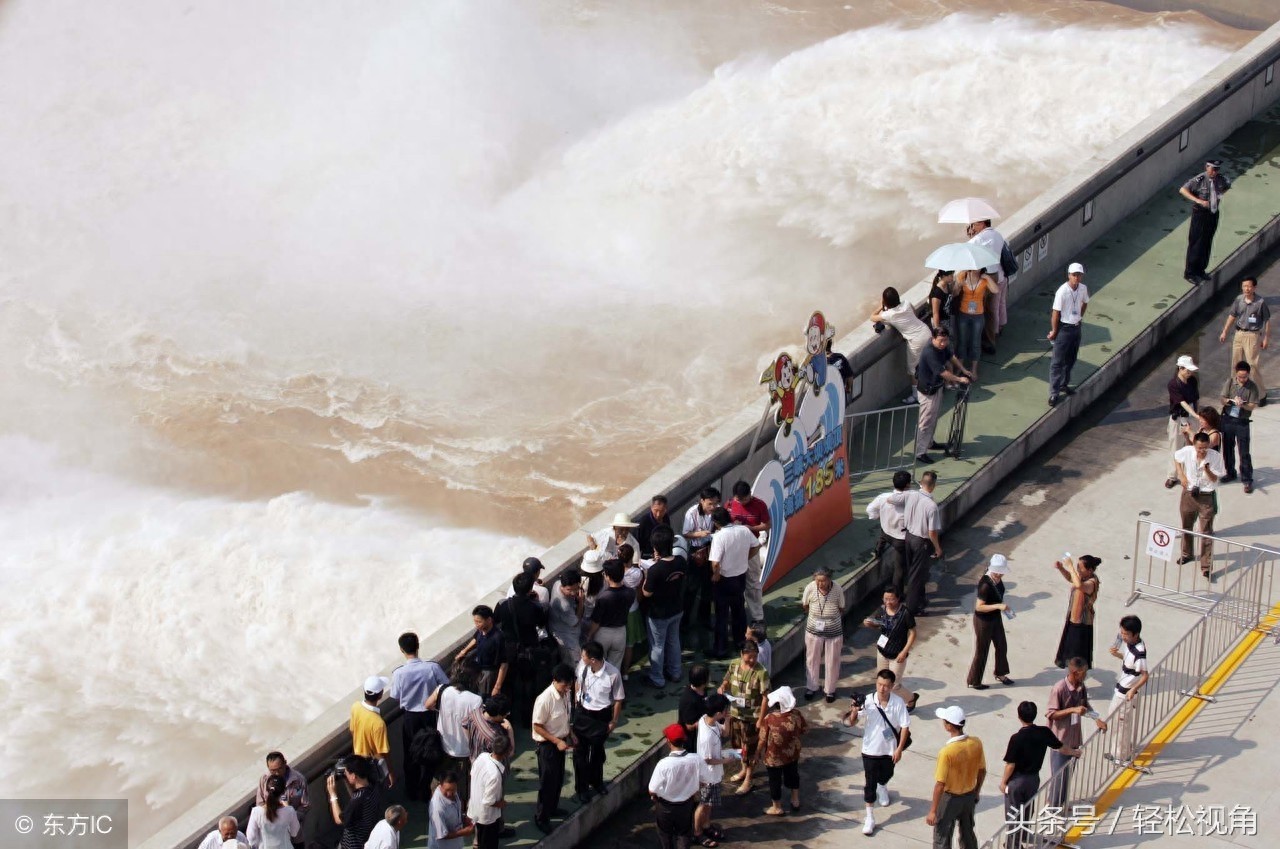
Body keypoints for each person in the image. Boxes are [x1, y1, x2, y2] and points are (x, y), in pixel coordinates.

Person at [844, 669, 911, 836]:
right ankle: (870, 817)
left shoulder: (898, 703)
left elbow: (904, 726)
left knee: (887, 774)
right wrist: (854, 710)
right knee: (869, 783)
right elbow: (851, 722)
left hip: (889, 750)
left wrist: (899, 749)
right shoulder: (867, 700)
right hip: (870, 750)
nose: (882, 689)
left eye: (886, 686)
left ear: (892, 686)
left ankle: (883, 785)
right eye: (879, 684)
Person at [999, 702, 1076, 846]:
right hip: (1033, 779)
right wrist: (1075, 752)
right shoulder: (1044, 732)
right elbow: (1061, 747)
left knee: (1013, 815)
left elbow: (1011, 764)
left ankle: (1012, 845)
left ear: (1019, 716)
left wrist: (1003, 782)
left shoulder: (1016, 738)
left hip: (1017, 781)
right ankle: (1023, 835)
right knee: (1027, 809)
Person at [389, 632, 449, 802]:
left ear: (401, 649)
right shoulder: (432, 667)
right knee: (431, 752)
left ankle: (411, 791)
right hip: (430, 715)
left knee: (410, 754)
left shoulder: (399, 673)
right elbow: (445, 686)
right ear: (418, 646)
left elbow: (395, 695)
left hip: (410, 718)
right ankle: (426, 789)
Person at [1045, 658, 1107, 811]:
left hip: (1074, 738)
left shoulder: (1081, 687)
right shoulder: (1059, 689)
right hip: (1060, 740)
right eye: (1083, 673)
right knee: (1058, 776)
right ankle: (1052, 807)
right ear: (1074, 672)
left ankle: (1061, 803)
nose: (1085, 676)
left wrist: (1097, 718)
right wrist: (1072, 710)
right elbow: (1051, 714)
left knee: (1068, 775)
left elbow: (1085, 705)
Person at [572, 640, 625, 802]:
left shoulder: (613, 674)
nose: (581, 658)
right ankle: (581, 789)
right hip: (582, 714)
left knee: (597, 753)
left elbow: (618, 699)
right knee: (580, 754)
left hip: (601, 717)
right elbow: (577, 682)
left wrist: (613, 721)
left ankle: (596, 782)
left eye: (584, 656)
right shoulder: (582, 667)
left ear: (593, 660)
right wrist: (577, 699)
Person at [926, 706, 986, 849]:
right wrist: (976, 792)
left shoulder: (947, 752)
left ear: (948, 726)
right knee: (967, 833)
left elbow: (940, 784)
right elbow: (982, 770)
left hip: (950, 799)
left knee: (942, 836)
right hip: (969, 796)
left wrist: (933, 811)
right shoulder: (976, 742)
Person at [496, 570, 551, 724]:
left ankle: (508, 718)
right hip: (529, 650)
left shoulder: (503, 605)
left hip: (509, 650)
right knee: (528, 684)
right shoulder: (534, 607)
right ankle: (527, 718)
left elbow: (497, 623)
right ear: (529, 589)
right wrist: (536, 601)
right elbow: (541, 624)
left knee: (509, 684)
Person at [426, 664, 483, 808]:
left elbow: (427, 705)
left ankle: (437, 805)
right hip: (464, 750)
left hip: (443, 745)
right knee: (462, 785)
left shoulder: (442, 690)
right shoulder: (475, 700)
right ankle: (461, 811)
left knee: (440, 778)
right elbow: (477, 727)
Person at [913, 326, 972, 465]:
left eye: (945, 340)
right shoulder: (930, 352)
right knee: (925, 421)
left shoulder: (941, 347)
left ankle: (930, 442)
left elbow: (951, 356)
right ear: (933, 338)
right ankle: (920, 452)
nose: (943, 343)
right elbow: (942, 373)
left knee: (933, 417)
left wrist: (963, 369)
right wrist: (959, 379)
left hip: (936, 388)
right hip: (928, 391)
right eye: (941, 340)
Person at [718, 640, 770, 794]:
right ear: (742, 654)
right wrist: (722, 688)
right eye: (749, 657)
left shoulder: (761, 672)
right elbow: (726, 681)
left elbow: (765, 698)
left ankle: (748, 778)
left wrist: (761, 719)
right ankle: (743, 769)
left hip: (751, 717)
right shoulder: (734, 664)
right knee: (738, 745)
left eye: (755, 657)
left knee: (751, 748)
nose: (752, 660)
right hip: (735, 713)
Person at [1173, 431, 1226, 576]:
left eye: (1204, 448)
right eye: (1199, 448)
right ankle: (1186, 554)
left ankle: (1206, 566)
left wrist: (1207, 469)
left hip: (1206, 497)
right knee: (1186, 526)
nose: (1202, 451)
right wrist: (1181, 475)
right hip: (1189, 494)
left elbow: (1215, 479)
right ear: (1194, 445)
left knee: (1206, 531)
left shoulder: (1215, 457)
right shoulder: (1188, 451)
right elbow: (1176, 458)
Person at [709, 506, 759, 658]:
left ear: (717, 523)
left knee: (722, 615)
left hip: (724, 579)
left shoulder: (719, 536)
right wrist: (745, 558)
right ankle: (739, 641)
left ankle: (721, 648)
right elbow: (756, 546)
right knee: (739, 610)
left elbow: (716, 562)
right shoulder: (743, 530)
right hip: (740, 576)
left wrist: (716, 574)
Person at [531, 664, 575, 833]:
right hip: (548, 746)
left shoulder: (565, 693)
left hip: (561, 741)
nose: (567, 688)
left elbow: (565, 716)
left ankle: (553, 807)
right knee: (547, 782)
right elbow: (538, 726)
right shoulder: (545, 699)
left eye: (569, 685)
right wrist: (556, 741)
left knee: (558, 779)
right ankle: (542, 817)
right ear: (555, 681)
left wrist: (570, 733)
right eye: (564, 685)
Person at [892, 470, 943, 615]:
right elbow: (932, 532)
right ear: (933, 485)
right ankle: (912, 609)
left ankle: (920, 600)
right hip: (921, 542)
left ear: (921, 482)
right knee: (916, 576)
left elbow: (892, 499)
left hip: (908, 537)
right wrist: (938, 549)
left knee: (913, 572)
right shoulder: (931, 506)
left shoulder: (911, 494)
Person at [871, 286, 933, 404]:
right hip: (926, 332)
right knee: (929, 361)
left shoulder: (889, 314)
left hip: (916, 341)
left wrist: (880, 305)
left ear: (886, 301)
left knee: (913, 369)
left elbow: (872, 317)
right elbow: (914, 314)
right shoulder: (906, 303)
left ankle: (916, 396)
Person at [645, 525, 687, 688]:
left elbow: (647, 593)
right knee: (673, 640)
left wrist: (648, 574)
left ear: (656, 548)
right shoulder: (681, 561)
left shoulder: (655, 570)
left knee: (657, 645)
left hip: (658, 613)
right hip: (677, 608)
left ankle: (657, 678)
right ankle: (675, 672)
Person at [862, 586, 918, 710]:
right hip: (882, 651)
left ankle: (911, 698)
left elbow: (913, 633)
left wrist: (904, 652)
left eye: (891, 599)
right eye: (885, 599)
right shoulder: (882, 610)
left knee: (894, 685)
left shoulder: (905, 613)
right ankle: (884, 703)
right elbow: (879, 626)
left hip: (897, 654)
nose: (888, 602)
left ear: (898, 598)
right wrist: (870, 624)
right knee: (882, 681)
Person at [649, 723, 702, 849]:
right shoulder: (696, 759)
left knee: (665, 834)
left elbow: (652, 789)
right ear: (684, 740)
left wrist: (655, 798)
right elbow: (705, 780)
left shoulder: (663, 764)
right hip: (686, 805)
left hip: (665, 806)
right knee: (684, 833)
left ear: (668, 741)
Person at [757, 686, 807, 816]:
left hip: (774, 757)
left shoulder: (769, 718)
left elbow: (762, 739)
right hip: (792, 754)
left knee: (775, 781)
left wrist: (757, 753)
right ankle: (795, 799)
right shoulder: (796, 714)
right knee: (793, 775)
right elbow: (804, 729)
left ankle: (777, 807)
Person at [694, 693, 736, 848]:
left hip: (714, 774)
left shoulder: (707, 719)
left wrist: (728, 720)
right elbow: (706, 759)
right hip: (708, 776)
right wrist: (725, 760)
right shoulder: (706, 736)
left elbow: (725, 733)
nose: (727, 711)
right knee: (704, 804)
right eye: (725, 710)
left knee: (709, 803)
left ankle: (706, 825)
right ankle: (697, 833)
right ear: (718, 713)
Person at [1179, 159, 1230, 284]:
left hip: (1212, 213)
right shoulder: (1200, 179)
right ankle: (1190, 272)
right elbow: (1183, 190)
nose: (1215, 172)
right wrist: (1198, 200)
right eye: (1213, 169)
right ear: (1207, 167)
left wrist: (1218, 196)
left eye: (1217, 169)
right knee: (1196, 242)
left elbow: (1227, 185)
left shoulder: (1220, 179)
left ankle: (1201, 270)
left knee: (1207, 241)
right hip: (1200, 214)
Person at [1106, 616, 1149, 765]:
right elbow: (1127, 660)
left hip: (1126, 694)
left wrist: (1133, 690)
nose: (1122, 636)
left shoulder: (1140, 653)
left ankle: (1121, 755)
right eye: (1122, 633)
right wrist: (1116, 654)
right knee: (1113, 720)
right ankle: (1116, 750)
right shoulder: (1129, 644)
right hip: (1120, 690)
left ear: (1135, 634)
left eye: (1126, 634)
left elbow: (1145, 675)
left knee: (1122, 725)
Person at [1219, 277, 1270, 403]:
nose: (1246, 289)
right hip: (1239, 334)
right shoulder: (1239, 300)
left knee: (1252, 365)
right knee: (1236, 364)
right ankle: (1235, 393)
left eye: (1249, 286)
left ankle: (1261, 394)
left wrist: (1266, 338)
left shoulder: (1260, 302)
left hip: (1252, 335)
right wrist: (1225, 331)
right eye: (1244, 286)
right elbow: (1232, 315)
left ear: (1254, 288)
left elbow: (1267, 321)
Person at [967, 554, 1013, 689]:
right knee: (982, 650)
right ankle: (975, 680)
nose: (999, 575)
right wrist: (998, 606)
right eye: (997, 572)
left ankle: (1001, 672)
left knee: (1001, 645)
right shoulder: (985, 584)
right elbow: (979, 607)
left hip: (995, 617)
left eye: (1001, 572)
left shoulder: (996, 580)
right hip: (983, 621)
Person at [727, 481, 771, 622]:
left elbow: (766, 525)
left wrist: (748, 528)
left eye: (745, 499)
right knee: (732, 580)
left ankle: (758, 616)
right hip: (734, 549)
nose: (742, 502)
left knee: (753, 582)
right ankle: (733, 613)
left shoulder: (759, 505)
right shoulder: (729, 505)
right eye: (739, 499)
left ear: (750, 495)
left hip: (752, 548)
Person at [1048, 262, 1089, 406]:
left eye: (1079, 275)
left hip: (1076, 327)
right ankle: (1054, 393)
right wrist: (1054, 330)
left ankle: (1063, 384)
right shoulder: (1062, 291)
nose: (1077, 278)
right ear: (1069, 275)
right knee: (1057, 362)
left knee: (1071, 359)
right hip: (1064, 328)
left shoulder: (1083, 289)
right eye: (1074, 275)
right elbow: (1055, 313)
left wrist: (1079, 317)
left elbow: (1085, 303)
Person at [800, 566, 844, 703]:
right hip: (814, 629)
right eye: (818, 580)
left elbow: (841, 607)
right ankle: (811, 687)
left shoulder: (837, 589)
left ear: (829, 579)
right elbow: (805, 605)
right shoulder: (810, 588)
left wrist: (828, 618)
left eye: (823, 580)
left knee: (832, 661)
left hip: (834, 629)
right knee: (812, 659)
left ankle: (830, 690)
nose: (820, 584)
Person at [967, 218, 1010, 351]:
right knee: (993, 310)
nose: (973, 227)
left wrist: (970, 237)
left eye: (974, 224)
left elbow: (967, 252)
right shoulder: (998, 235)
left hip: (984, 277)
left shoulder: (978, 239)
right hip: (996, 275)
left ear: (982, 223)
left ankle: (976, 342)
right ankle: (992, 340)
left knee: (977, 310)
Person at [1052, 555, 1101, 669]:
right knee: (1070, 651)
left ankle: (1077, 677)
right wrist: (1061, 569)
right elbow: (1071, 578)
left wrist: (1070, 566)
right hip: (1073, 619)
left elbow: (1079, 585)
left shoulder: (1092, 582)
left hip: (1082, 623)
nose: (1078, 570)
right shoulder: (1081, 576)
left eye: (1080, 568)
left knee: (1078, 654)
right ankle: (1072, 673)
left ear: (1090, 570)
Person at [682, 487, 721, 629]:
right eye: (710, 504)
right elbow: (686, 533)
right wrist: (700, 534)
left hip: (710, 550)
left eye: (715, 503)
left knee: (708, 587)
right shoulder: (691, 513)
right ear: (702, 501)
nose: (713, 507)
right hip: (696, 552)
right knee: (691, 588)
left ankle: (703, 619)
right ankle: (685, 621)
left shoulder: (717, 511)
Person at [325, 755, 384, 849]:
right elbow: (356, 796)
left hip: (353, 845)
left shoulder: (358, 800)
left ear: (353, 776)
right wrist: (346, 780)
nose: (345, 774)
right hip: (368, 839)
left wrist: (333, 794)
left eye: (346, 772)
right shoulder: (373, 787)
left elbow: (339, 820)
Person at [587, 558, 635, 670]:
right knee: (614, 667)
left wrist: (589, 635)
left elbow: (596, 621)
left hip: (603, 633)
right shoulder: (630, 593)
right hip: (621, 632)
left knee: (599, 666)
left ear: (607, 576)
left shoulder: (603, 597)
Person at [1220, 361, 1261, 494]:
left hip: (1242, 421)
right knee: (1227, 448)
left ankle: (1247, 478)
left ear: (1248, 374)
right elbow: (1222, 398)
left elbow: (1252, 406)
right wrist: (1230, 401)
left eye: (1244, 377)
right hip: (1228, 419)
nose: (1242, 379)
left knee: (1244, 452)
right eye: (1239, 377)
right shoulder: (1231, 382)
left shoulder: (1252, 387)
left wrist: (1241, 405)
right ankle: (1230, 472)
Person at [867, 471, 910, 592]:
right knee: (899, 568)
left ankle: (878, 552)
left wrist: (878, 516)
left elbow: (870, 509)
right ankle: (898, 593)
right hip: (900, 538)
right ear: (908, 485)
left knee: (882, 539)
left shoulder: (883, 497)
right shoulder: (910, 501)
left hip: (886, 531)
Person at [255, 752, 309, 847]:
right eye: (272, 771)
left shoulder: (298, 780)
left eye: (279, 769)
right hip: (272, 835)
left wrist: (290, 816)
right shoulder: (264, 780)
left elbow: (305, 805)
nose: (276, 773)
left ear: (285, 763)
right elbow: (260, 803)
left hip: (294, 833)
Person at [349, 676, 394, 788]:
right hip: (371, 768)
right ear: (380, 695)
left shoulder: (355, 707)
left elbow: (352, 730)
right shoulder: (378, 723)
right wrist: (390, 773)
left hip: (357, 762)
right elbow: (383, 752)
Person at [1163, 355, 1201, 489]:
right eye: (1187, 370)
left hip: (1191, 418)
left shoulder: (1193, 381)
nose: (1190, 373)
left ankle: (1189, 474)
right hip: (1178, 418)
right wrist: (1195, 414)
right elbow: (1182, 402)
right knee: (1175, 447)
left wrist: (1197, 414)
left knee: (1191, 446)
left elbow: (1195, 399)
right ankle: (1172, 476)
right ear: (1180, 368)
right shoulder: (1173, 384)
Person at [454, 605, 507, 698]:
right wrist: (464, 651)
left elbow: (504, 663)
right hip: (478, 670)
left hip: (489, 674)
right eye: (475, 622)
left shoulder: (498, 637)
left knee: (482, 698)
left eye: (479, 622)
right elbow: (475, 639)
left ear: (489, 620)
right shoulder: (480, 630)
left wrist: (497, 687)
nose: (477, 624)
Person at [468, 733, 510, 849]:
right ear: (506, 753)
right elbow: (489, 801)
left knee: (479, 840)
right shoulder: (495, 775)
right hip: (487, 817)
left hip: (475, 808)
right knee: (488, 844)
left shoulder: (482, 757)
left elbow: (472, 774)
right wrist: (501, 804)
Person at [953, 270, 996, 380]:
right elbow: (954, 293)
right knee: (962, 341)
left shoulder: (984, 279)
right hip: (963, 313)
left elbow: (995, 290)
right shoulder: (962, 275)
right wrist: (958, 286)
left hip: (978, 315)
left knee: (975, 342)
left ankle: (974, 370)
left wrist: (987, 276)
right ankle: (960, 368)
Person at [547, 567, 585, 667]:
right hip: (565, 634)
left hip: (561, 625)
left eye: (576, 588)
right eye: (569, 590)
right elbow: (576, 621)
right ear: (563, 586)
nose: (573, 593)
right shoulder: (564, 605)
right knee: (574, 663)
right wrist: (581, 602)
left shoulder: (557, 583)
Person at [462, 695, 515, 764]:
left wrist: (471, 742)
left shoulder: (475, 713)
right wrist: (510, 729)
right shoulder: (494, 735)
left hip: (475, 760)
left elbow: (464, 724)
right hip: (490, 769)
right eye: (506, 713)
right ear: (498, 715)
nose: (506, 716)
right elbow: (510, 752)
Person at [427, 771, 473, 849]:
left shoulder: (454, 793)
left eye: (453, 790)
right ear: (440, 785)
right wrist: (464, 832)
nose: (449, 794)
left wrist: (463, 818)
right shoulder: (437, 808)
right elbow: (442, 835)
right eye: (447, 790)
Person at [679, 664, 711, 737]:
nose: (710, 678)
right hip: (692, 737)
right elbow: (689, 727)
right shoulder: (689, 700)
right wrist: (707, 720)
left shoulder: (703, 689)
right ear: (703, 681)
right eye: (708, 676)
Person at [637, 495, 672, 560]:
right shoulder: (644, 521)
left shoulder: (666, 518)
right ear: (651, 508)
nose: (658, 514)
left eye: (661, 511)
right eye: (656, 510)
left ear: (665, 510)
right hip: (648, 556)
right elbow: (639, 544)